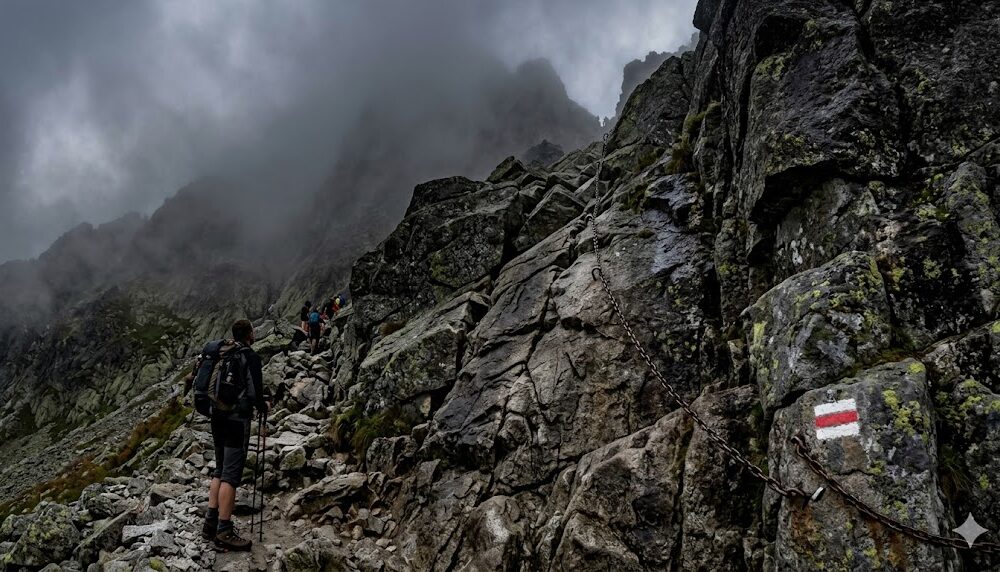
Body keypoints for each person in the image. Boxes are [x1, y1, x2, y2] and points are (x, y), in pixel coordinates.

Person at [202, 319, 268, 551]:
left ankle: (210, 522)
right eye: (253, 330)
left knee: (219, 469)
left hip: (216, 416)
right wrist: (263, 406)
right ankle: (224, 530)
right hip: (236, 420)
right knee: (231, 474)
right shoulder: (249, 356)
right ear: (249, 333)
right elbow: (254, 393)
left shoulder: (224, 354)